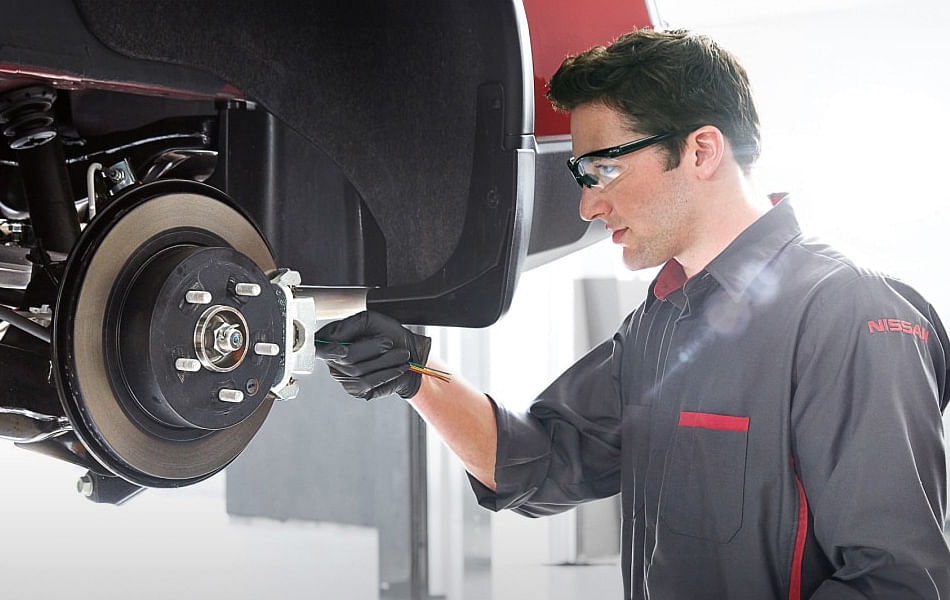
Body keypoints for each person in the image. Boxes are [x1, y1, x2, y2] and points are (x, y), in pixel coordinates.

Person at [314, 28, 950, 599]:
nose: (589, 207)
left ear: (702, 151)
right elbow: (543, 461)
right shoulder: (661, 321)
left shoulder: (853, 314)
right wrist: (416, 374)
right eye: (581, 176)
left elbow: (896, 582)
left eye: (605, 170)